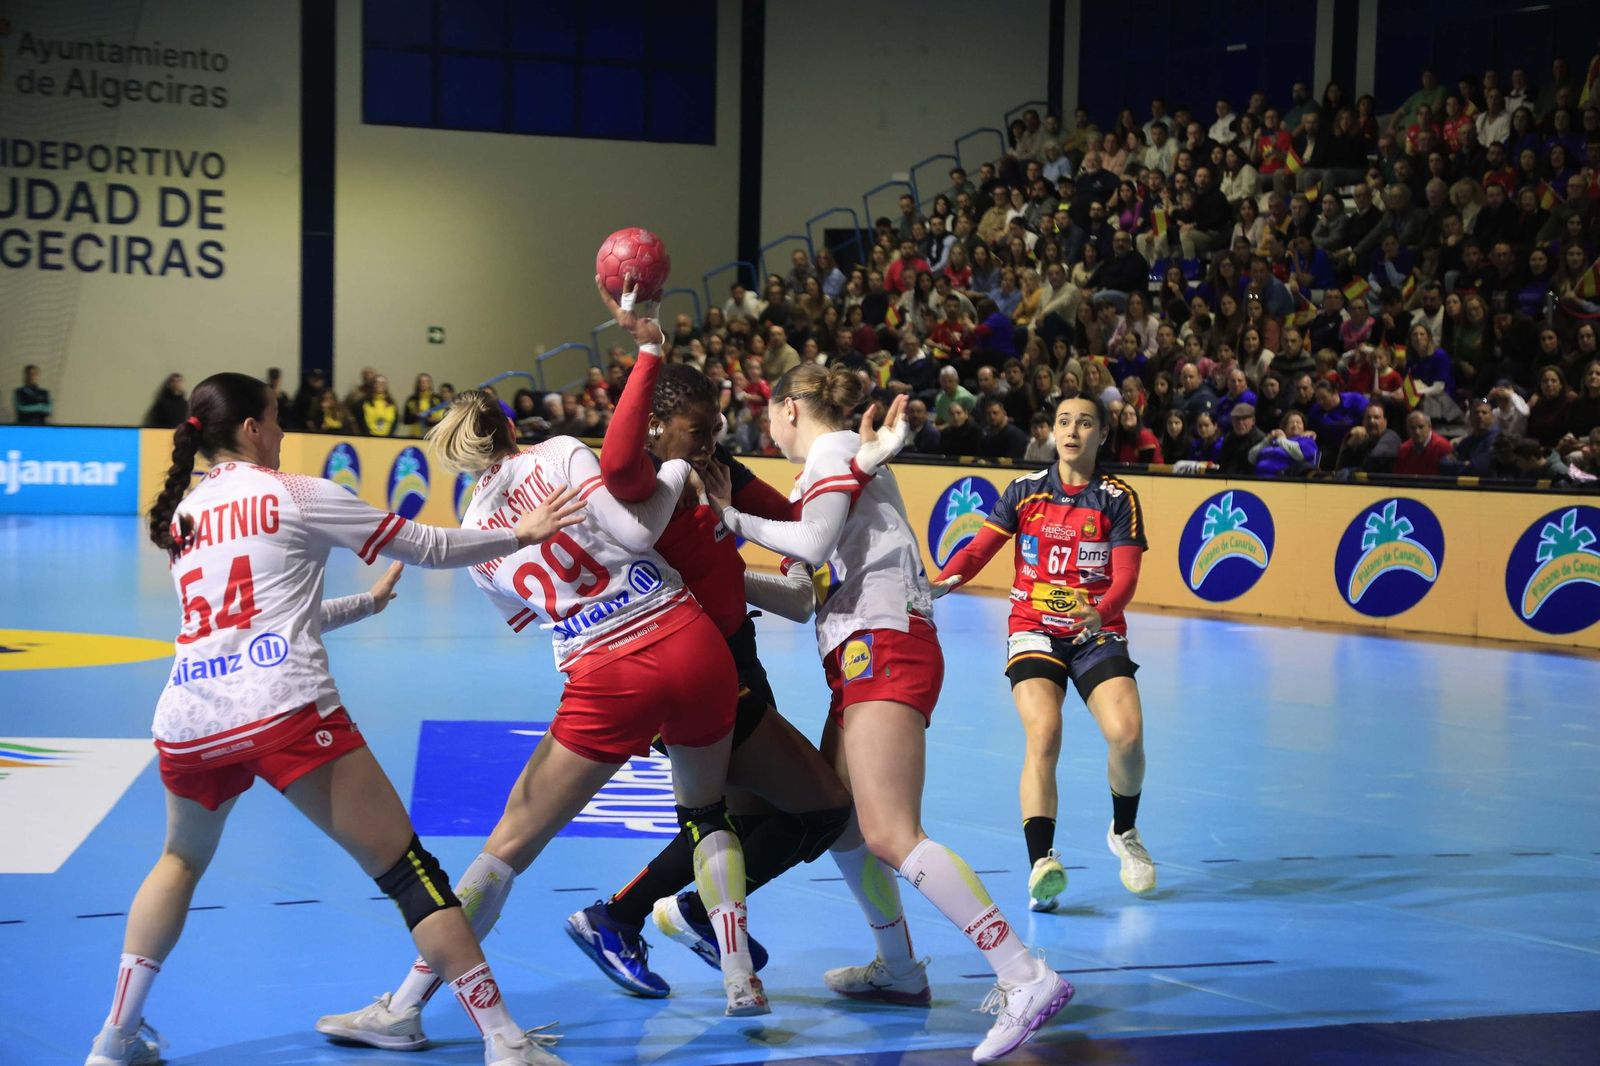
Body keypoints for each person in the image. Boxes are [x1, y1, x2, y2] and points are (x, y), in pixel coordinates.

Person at [89, 372, 574, 1066]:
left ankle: (115, 1038)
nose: (283, 431)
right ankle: (505, 1042)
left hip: (189, 718)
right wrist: (518, 534)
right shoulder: (296, 492)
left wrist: (361, 609)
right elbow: (428, 548)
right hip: (282, 709)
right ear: (253, 429)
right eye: (276, 418)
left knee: (178, 860)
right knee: (410, 873)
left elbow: (256, 619)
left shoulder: (185, 513)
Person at [317, 363, 774, 1033]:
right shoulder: (563, 451)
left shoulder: (477, 534)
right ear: (509, 425)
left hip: (608, 672)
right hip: (689, 636)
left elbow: (541, 614)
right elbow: (629, 527)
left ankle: (406, 1006)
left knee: (506, 846)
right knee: (707, 812)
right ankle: (741, 980)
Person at [710, 365, 1072, 1064]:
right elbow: (796, 593)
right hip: (860, 648)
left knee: (892, 833)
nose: (764, 428)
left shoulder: (835, 453)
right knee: (842, 815)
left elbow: (809, 547)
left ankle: (1023, 974)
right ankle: (899, 968)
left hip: (884, 645)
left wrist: (726, 520)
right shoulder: (825, 470)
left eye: (767, 413)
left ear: (789, 407)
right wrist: (713, 572)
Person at [563, 279, 892, 997]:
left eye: (718, 426)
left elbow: (804, 526)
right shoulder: (634, 484)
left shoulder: (720, 470)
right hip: (690, 669)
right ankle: (653, 913)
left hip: (737, 659)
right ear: (654, 427)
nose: (713, 441)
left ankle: (640, 916)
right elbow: (618, 457)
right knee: (822, 808)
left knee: (748, 819)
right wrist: (647, 353)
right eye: (697, 429)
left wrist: (858, 467)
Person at [935, 393, 1156, 917]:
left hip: (1095, 630)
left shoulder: (1117, 498)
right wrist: (939, 581)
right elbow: (979, 548)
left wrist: (1100, 612)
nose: (1072, 430)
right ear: (1052, 431)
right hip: (1033, 627)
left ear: (1102, 434)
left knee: (1126, 734)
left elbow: (1125, 575)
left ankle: (1124, 830)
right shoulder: (1024, 491)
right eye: (1063, 422)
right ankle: (1042, 867)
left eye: (1084, 423)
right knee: (1044, 731)